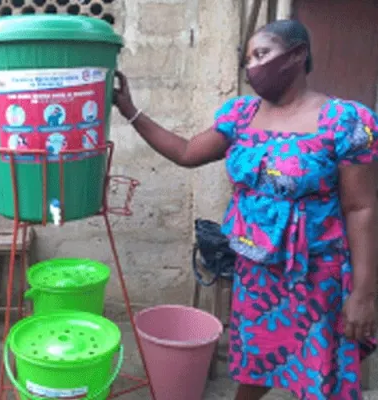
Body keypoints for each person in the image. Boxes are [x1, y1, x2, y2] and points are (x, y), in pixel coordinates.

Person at [114, 19, 377, 400]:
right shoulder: (241, 115)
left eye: (262, 54)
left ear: (298, 54)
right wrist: (130, 110)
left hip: (318, 275)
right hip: (257, 274)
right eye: (249, 58)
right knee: (258, 361)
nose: (253, 66)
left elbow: (361, 207)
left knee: (322, 372)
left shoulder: (346, 122)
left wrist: (364, 293)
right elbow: (187, 152)